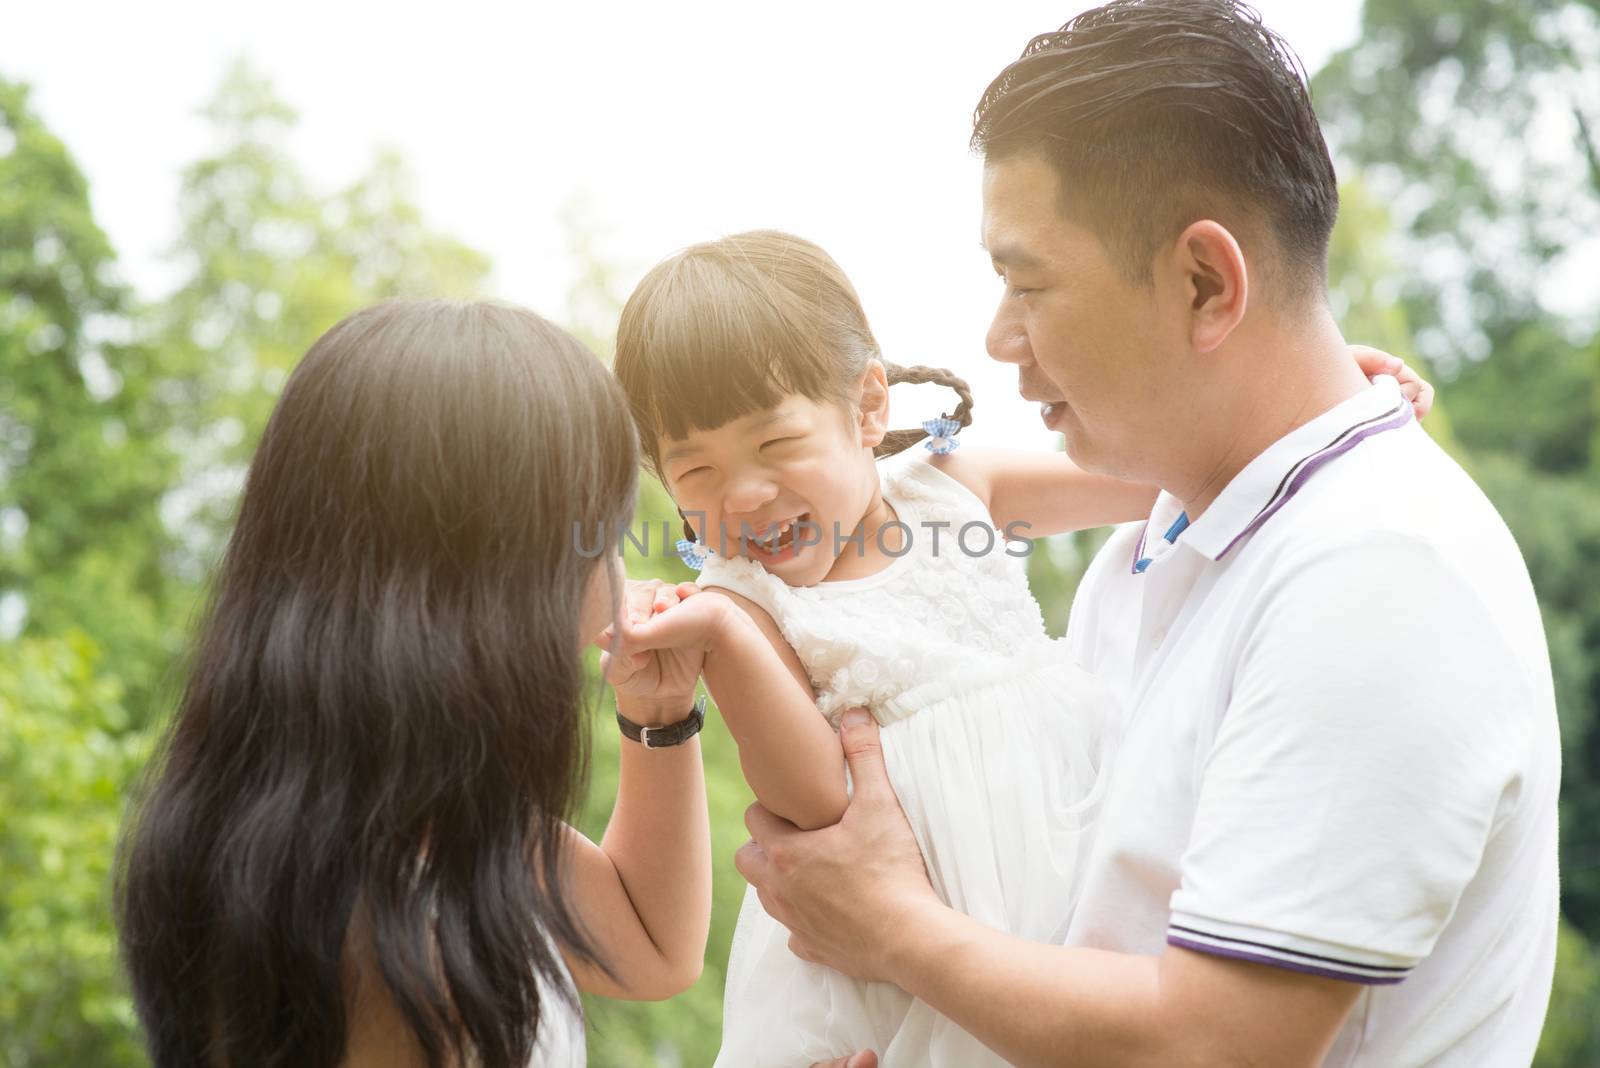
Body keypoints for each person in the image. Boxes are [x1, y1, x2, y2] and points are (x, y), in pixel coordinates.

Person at [727, 3, 1560, 1066]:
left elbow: (1217, 1045)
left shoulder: (1377, 573)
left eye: (1028, 283)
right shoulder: (1166, 538)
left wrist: (888, 927)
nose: (998, 338)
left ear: (1205, 284)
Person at [607, 230, 1431, 1066]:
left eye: (775, 445)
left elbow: (1165, 472)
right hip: (884, 966)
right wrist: (720, 640)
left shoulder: (949, 488)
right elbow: (816, 805)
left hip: (1055, 880)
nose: (743, 493)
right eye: (694, 470)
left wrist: (1305, 400)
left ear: (867, 408)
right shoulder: (741, 604)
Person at [115, 300, 716, 1068]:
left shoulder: (414, 831)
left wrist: (658, 715)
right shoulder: (385, 931)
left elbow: (653, 947)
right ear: (500, 578)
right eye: (603, 531)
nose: (619, 565)